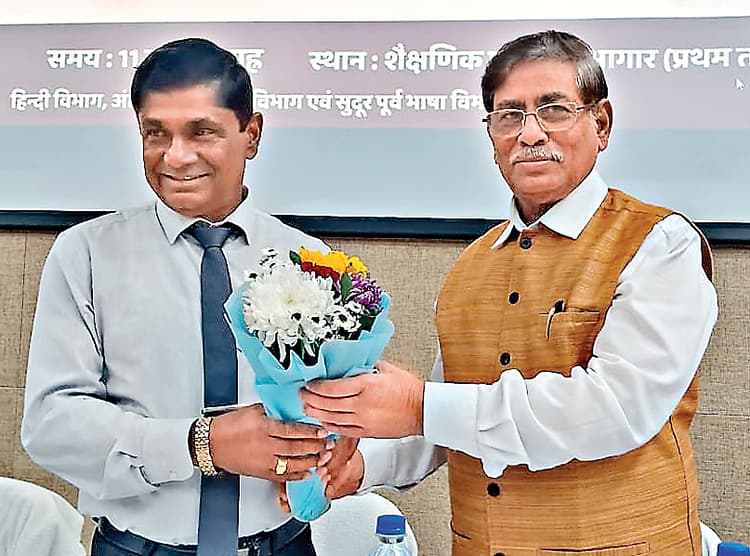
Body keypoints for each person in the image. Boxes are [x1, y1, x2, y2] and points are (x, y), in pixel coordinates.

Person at [301, 30, 720, 555]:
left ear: (602, 123)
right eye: (509, 115)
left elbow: (614, 409)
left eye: (554, 110)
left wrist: (417, 404)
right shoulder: (472, 264)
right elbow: (445, 416)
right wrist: (361, 465)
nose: (530, 133)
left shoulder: (660, 244)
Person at [22, 37, 339, 556]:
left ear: (251, 134)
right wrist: (201, 444)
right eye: (155, 133)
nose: (175, 156)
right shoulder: (85, 255)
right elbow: (52, 424)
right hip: (137, 549)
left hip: (281, 545)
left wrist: (337, 451)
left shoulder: (308, 259)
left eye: (201, 131)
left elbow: (337, 406)